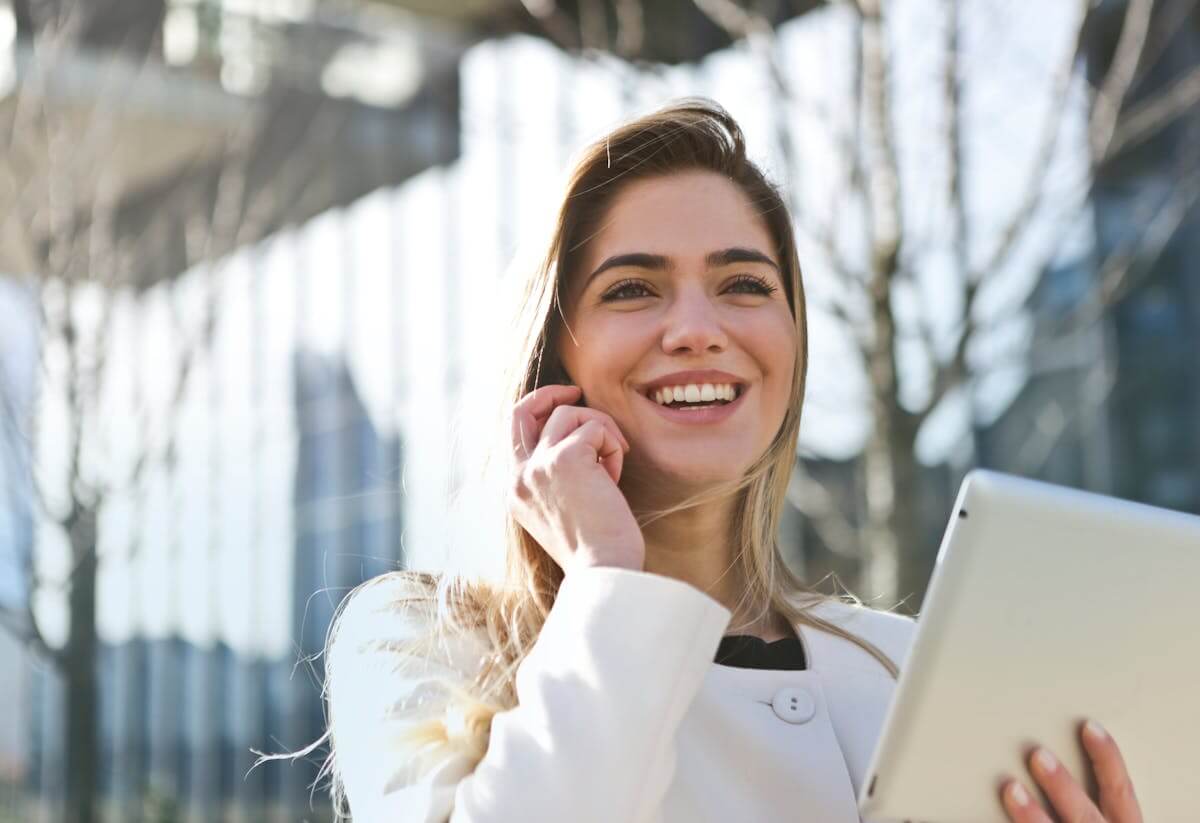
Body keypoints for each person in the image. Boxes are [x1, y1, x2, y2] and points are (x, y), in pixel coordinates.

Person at [319, 100, 1144, 823]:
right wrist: (609, 577)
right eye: (633, 289)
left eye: (745, 284)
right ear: (552, 358)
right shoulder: (417, 642)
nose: (696, 328)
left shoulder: (904, 666)